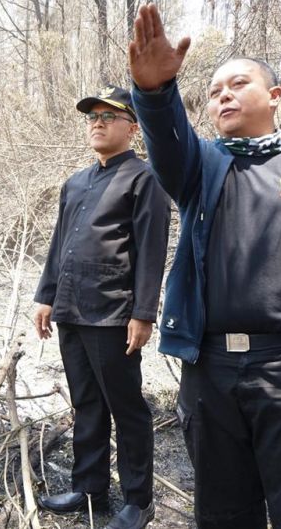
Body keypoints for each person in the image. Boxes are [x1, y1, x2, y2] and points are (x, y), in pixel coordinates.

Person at [127, 4, 281, 529]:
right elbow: (167, 146)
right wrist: (154, 95)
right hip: (211, 374)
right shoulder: (203, 167)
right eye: (215, 89)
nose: (223, 94)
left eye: (237, 83)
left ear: (274, 95)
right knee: (223, 515)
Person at [33, 85, 170, 529]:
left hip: (114, 314)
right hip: (72, 310)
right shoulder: (75, 182)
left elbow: (152, 249)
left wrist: (144, 313)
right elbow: (60, 246)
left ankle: (137, 501)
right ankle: (89, 488)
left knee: (126, 407)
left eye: (108, 116)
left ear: (132, 127)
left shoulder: (143, 179)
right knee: (86, 402)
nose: (97, 122)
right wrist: (45, 296)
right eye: (92, 116)